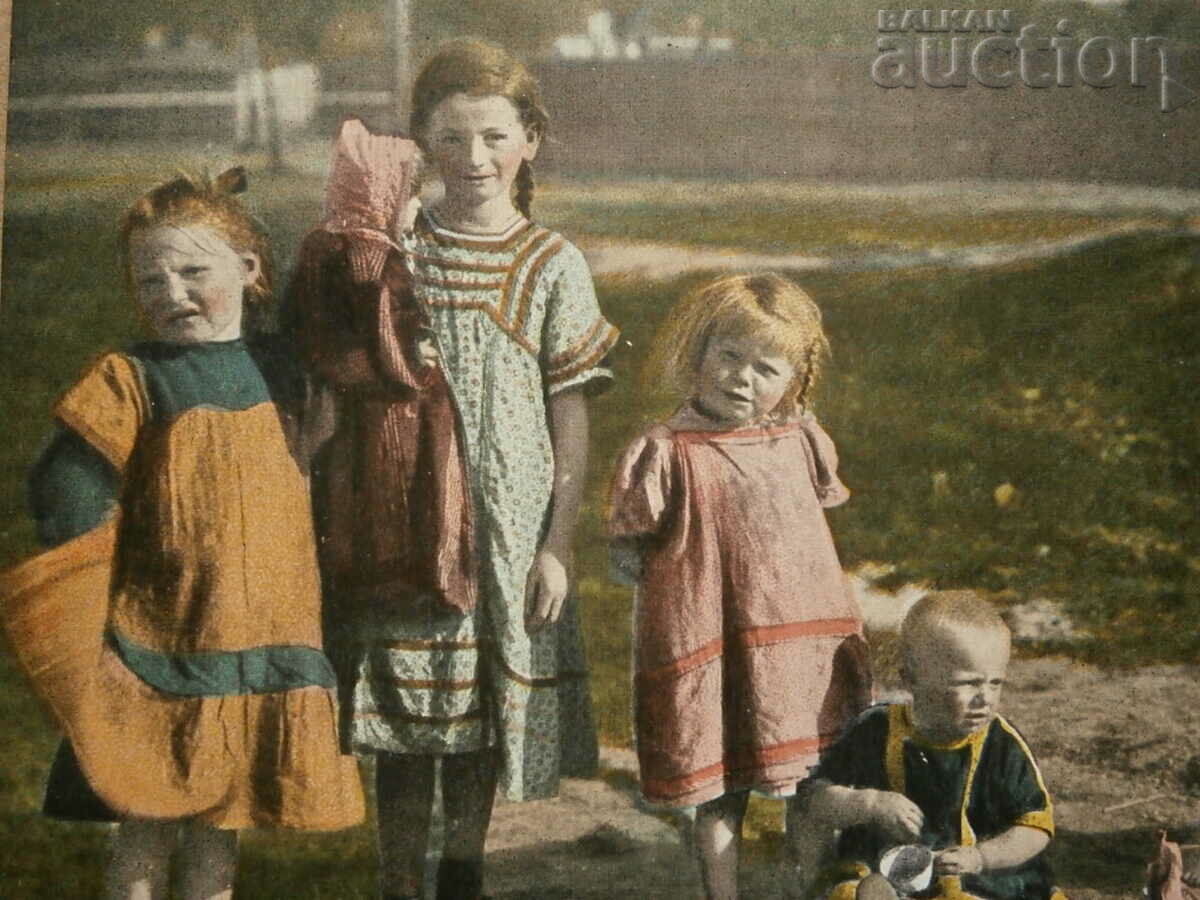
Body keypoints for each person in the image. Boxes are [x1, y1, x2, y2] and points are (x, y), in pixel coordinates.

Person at [294, 41, 620, 900]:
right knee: (405, 718)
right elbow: (330, 348)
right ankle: (398, 879)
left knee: (478, 720)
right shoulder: (397, 249)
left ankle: (463, 871)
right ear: (422, 144)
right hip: (401, 512)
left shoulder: (552, 262)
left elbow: (570, 413)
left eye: (492, 137)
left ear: (531, 141)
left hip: (507, 528)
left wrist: (558, 544)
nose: (472, 160)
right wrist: (372, 251)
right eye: (449, 139)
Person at [0, 169, 364, 900]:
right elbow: (66, 486)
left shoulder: (287, 375)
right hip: (161, 638)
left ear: (250, 270)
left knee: (218, 837)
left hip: (257, 638)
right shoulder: (131, 377)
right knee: (145, 823)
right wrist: (94, 571)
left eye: (194, 271)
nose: (172, 293)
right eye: (151, 279)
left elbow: (359, 305)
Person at [607, 273, 871, 900]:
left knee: (809, 778)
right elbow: (630, 553)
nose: (740, 378)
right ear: (698, 352)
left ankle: (803, 887)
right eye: (728, 356)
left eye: (765, 367)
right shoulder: (667, 451)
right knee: (720, 790)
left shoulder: (799, 439)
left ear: (794, 379)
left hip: (794, 647)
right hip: (713, 643)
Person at [790, 590, 1063, 900]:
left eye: (995, 682)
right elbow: (812, 798)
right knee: (850, 891)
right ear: (911, 680)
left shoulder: (1001, 744)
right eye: (967, 683)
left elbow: (1035, 828)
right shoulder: (875, 729)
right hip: (887, 865)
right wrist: (868, 804)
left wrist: (981, 857)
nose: (984, 698)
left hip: (972, 874)